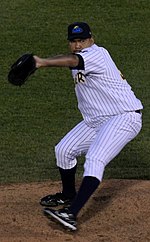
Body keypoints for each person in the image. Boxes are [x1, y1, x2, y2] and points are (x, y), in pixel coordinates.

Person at [34, 22, 143, 231]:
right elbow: (69, 60)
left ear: (90, 39)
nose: (77, 45)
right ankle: (68, 195)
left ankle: (71, 215)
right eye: (73, 41)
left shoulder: (97, 54)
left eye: (81, 40)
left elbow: (74, 60)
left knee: (95, 158)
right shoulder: (80, 56)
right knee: (64, 150)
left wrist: (42, 62)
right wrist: (41, 61)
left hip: (122, 117)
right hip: (96, 120)